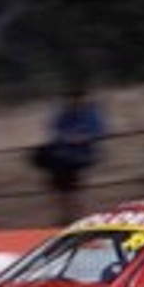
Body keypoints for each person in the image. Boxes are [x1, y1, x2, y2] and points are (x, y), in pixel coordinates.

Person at [32, 83, 108, 224]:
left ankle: (73, 212)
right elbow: (55, 130)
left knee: (65, 175)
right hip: (65, 151)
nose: (73, 102)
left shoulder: (91, 112)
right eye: (70, 99)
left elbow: (99, 132)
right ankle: (65, 209)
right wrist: (66, 137)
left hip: (82, 152)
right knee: (43, 156)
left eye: (76, 98)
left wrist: (81, 137)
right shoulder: (63, 112)